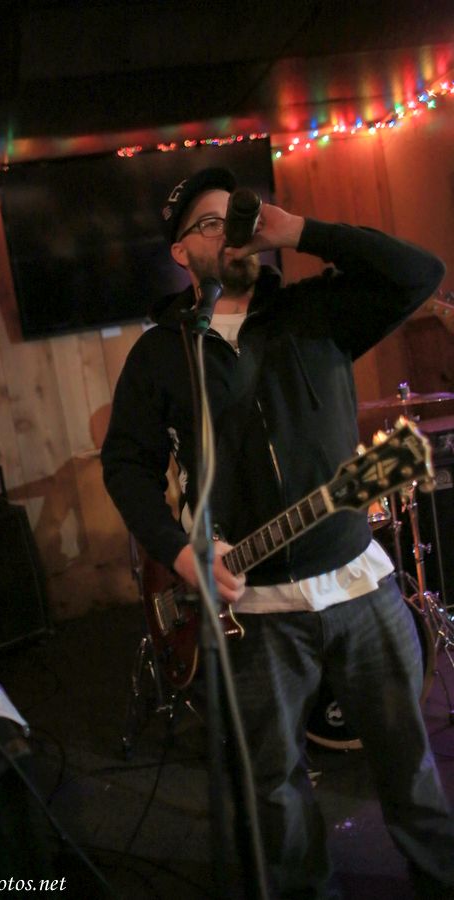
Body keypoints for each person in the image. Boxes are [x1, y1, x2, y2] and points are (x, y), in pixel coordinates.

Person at [100, 166, 454, 899]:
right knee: (276, 795)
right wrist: (178, 552)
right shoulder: (161, 353)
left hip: (360, 588)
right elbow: (127, 465)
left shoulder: (316, 310)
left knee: (411, 771)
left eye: (238, 216)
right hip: (252, 615)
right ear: (181, 252)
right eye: (210, 223)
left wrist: (301, 232)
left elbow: (421, 272)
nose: (231, 231)